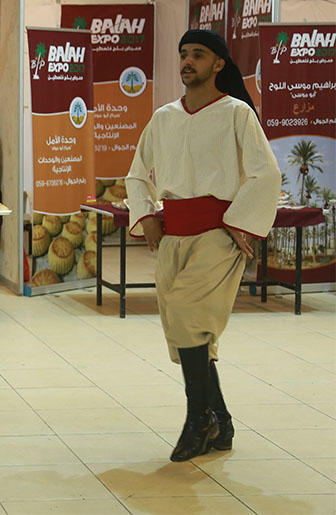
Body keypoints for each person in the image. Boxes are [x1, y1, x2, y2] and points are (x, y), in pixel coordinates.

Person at [126, 29, 281, 462]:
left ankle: (198, 421)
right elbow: (137, 173)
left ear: (218, 64)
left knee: (187, 316)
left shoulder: (237, 114)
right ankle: (222, 420)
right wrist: (147, 217)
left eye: (198, 54)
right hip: (174, 235)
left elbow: (266, 173)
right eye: (183, 54)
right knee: (188, 331)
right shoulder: (164, 117)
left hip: (217, 233)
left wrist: (238, 221)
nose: (187, 61)